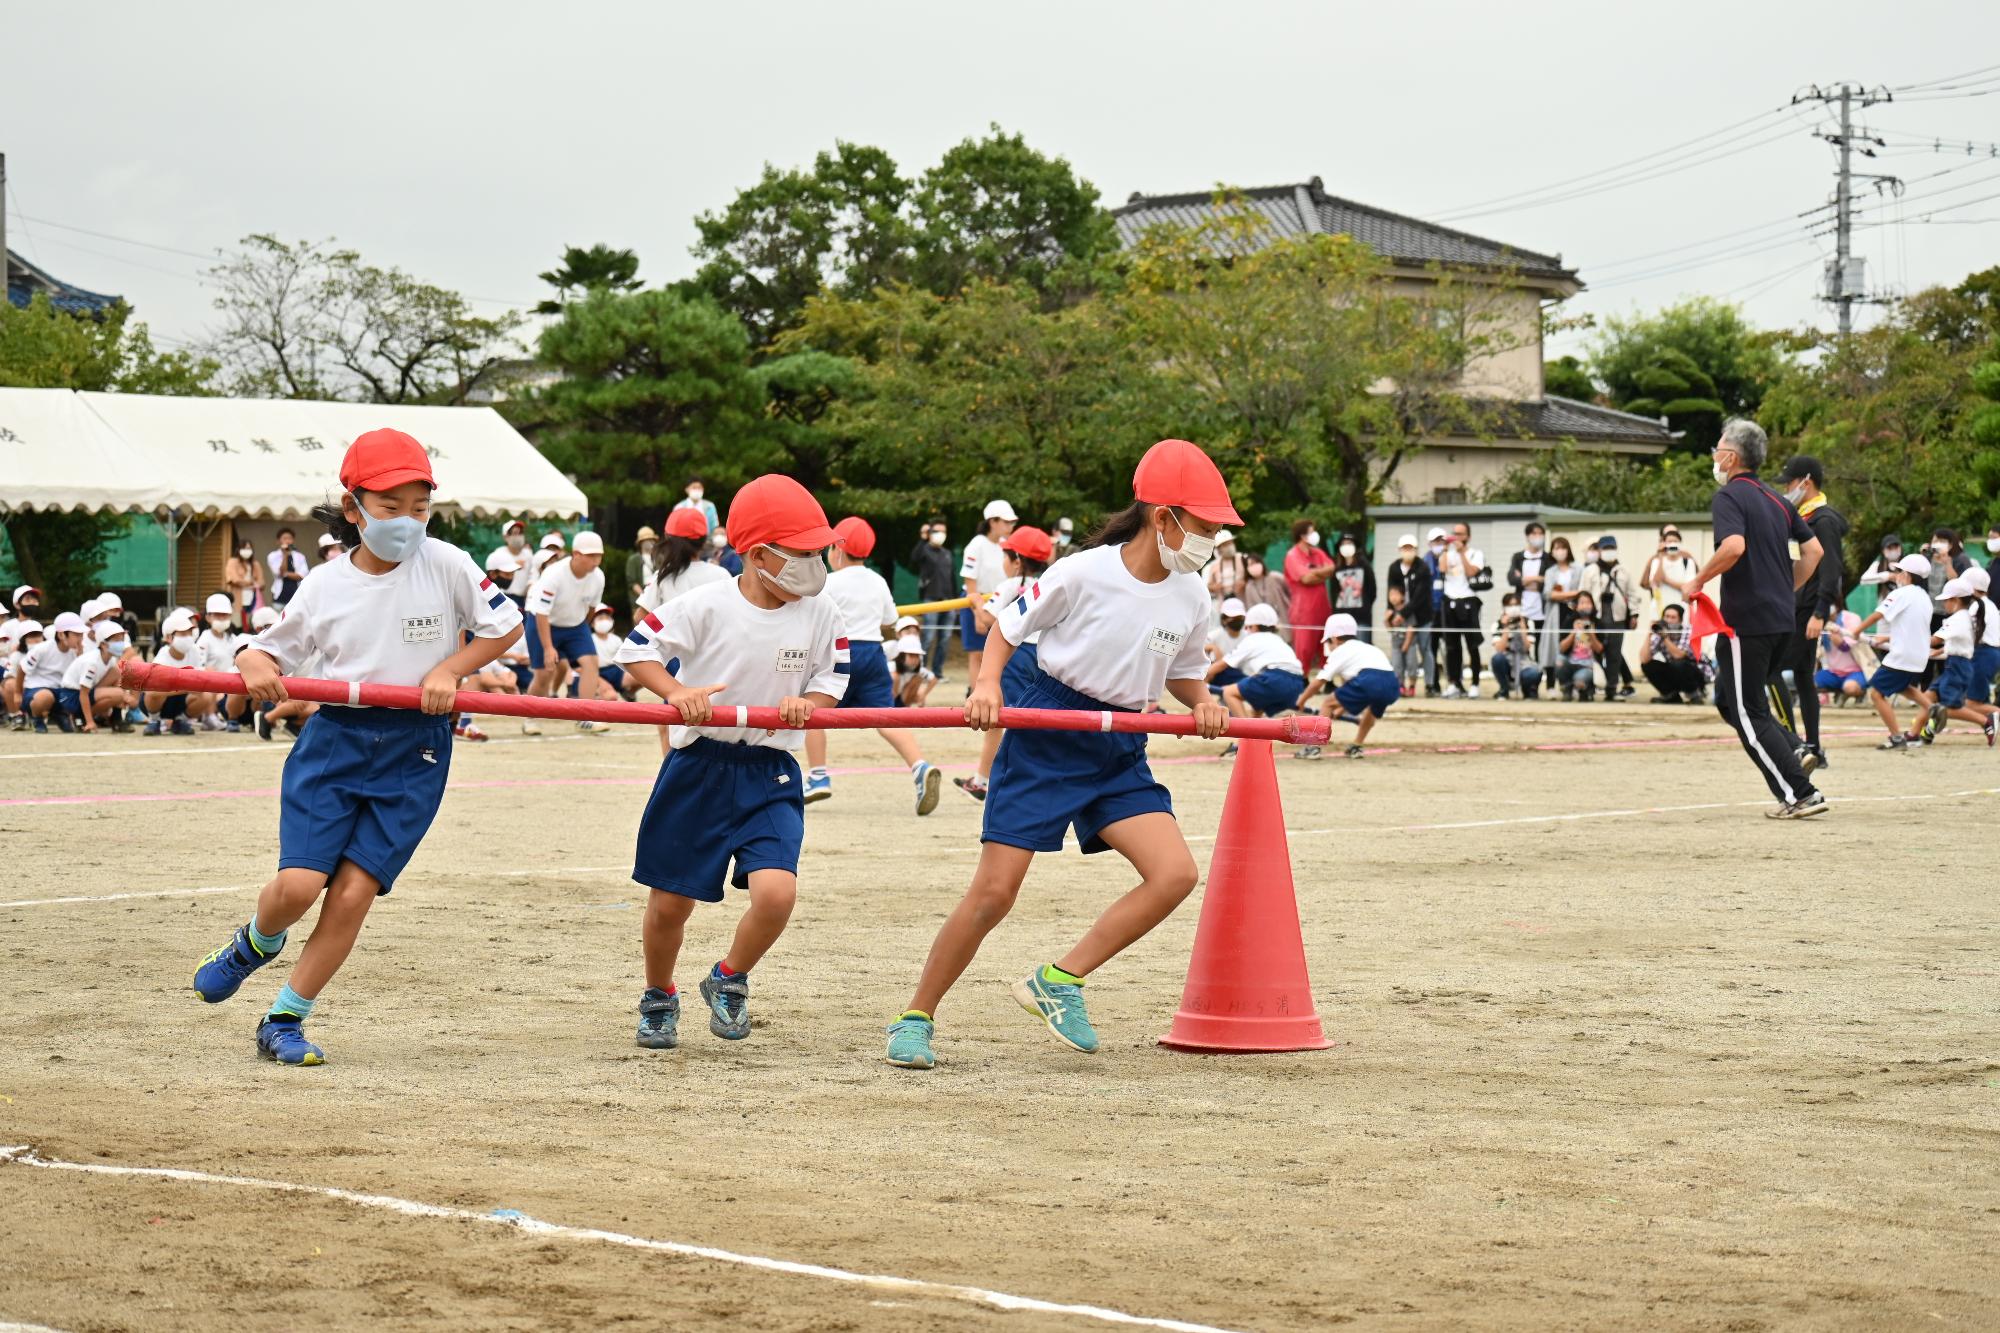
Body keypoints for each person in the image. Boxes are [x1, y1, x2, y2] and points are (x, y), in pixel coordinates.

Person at [883, 439, 1234, 1072]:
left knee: (1175, 874)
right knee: (994, 893)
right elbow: (1006, 631)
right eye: (1206, 528)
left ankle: (1059, 979)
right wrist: (987, 684)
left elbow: (1182, 673)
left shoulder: (1192, 596)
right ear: (1164, 518)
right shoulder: (1083, 571)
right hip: (1049, 730)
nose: (1211, 543)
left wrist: (1203, 702)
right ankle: (916, 1016)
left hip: (1121, 743)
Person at [189, 427, 524, 1065]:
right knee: (299, 885)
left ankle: (285, 1018)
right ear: (354, 509)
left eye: (420, 509)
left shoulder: (448, 564)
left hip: (417, 749)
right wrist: (251, 658)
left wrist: (451, 668)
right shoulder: (324, 585)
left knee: (352, 894)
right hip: (336, 742)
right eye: (391, 508)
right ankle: (255, 943)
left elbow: (503, 626)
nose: (408, 522)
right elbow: (268, 647)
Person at [614, 474, 846, 1051]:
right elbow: (636, 650)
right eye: (803, 553)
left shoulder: (822, 611)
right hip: (700, 768)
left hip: (771, 770)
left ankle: (728, 977)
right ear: (759, 554)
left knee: (776, 893)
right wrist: (674, 692)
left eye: (820, 551)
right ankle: (658, 994)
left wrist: (808, 704)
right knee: (671, 903)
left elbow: (830, 679)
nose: (816, 564)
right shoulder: (704, 605)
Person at [1678, 418, 1827, 818]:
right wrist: (1784, 588)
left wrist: (1697, 580)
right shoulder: (1778, 499)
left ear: (1730, 456)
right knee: (1729, 699)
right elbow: (1814, 554)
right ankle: (1793, 747)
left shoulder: (1730, 496)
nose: (1714, 456)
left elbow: (1734, 546)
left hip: (1747, 621)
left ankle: (1800, 793)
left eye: (1718, 448)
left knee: (1749, 712)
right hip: (1781, 619)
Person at [802, 516, 942, 815]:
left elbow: (814, 618)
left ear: (838, 549)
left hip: (840, 653)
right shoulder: (877, 581)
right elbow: (890, 621)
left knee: (811, 711)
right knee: (886, 717)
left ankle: (817, 776)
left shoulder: (830, 582)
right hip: (874, 653)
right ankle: (920, 766)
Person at [955, 525, 1054, 802]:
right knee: (1037, 716)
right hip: (1045, 659)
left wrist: (975, 602)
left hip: (1016, 657)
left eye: (1006, 556)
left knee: (1000, 719)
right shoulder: (1051, 584)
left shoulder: (1011, 586)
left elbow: (988, 620)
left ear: (1017, 561)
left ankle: (983, 780)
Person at [1772, 455, 1849, 771]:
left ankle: (1793, 744)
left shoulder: (1823, 520)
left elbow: (1832, 570)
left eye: (1789, 482)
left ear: (1806, 482)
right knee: (1803, 675)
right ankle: (1813, 746)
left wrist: (1820, 611)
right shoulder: (1802, 517)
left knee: (1771, 670)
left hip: (1806, 609)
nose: (1787, 489)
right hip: (1798, 606)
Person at [523, 530, 612, 737]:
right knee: (544, 674)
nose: (596, 561)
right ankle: (530, 718)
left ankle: (586, 717)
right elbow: (542, 613)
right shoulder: (554, 574)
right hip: (542, 622)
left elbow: (591, 608)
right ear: (576, 554)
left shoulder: (598, 577)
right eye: (591, 556)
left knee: (591, 663)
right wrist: (548, 647)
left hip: (576, 624)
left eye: (599, 555)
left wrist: (581, 633)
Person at [1853, 553, 1935, 750]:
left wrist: (1856, 631)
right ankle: (1933, 708)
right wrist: (1886, 638)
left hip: (1901, 655)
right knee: (1902, 685)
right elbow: (1912, 629)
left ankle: (1896, 737)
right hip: (1919, 657)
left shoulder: (1901, 594)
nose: (1896, 575)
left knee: (1877, 693)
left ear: (1906, 574)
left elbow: (1877, 615)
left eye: (1898, 571)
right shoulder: (1925, 598)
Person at [1296, 612, 1399, 759]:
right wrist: (1342, 708)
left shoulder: (1340, 651)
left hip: (1369, 679)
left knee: (1327, 703)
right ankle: (1356, 746)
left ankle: (1314, 747)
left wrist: (1302, 700)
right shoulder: (1368, 648)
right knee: (1372, 710)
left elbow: (1319, 681)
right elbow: (1352, 687)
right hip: (1391, 684)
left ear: (1334, 638)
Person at [1919, 577, 1997, 746]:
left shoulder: (1959, 618)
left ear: (1955, 600)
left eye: (1946, 600)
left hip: (1957, 666)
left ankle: (1986, 722)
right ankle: (1920, 732)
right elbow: (1952, 643)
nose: (1944, 605)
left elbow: (1934, 640)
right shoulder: (1964, 617)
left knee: (1950, 708)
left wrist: (1910, 643)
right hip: (1954, 664)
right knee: (1927, 699)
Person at [1213, 603, 1307, 736]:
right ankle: (1256, 738)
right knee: (1257, 707)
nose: (1246, 630)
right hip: (1297, 684)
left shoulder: (1252, 639)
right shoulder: (1279, 640)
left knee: (1229, 693)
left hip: (1276, 678)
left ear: (1254, 626)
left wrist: (1202, 678)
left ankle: (1246, 737)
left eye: (1248, 627)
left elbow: (1222, 664)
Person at [959, 499, 1017, 692]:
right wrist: (978, 613)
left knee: (997, 652)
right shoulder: (976, 545)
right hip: (977, 601)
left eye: (1012, 523)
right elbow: (970, 581)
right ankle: (975, 696)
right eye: (1006, 522)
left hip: (998, 601)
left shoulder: (1005, 545)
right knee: (977, 655)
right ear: (992, 522)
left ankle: (993, 695)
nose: (1011, 526)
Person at [1581, 535, 1640, 701]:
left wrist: (1634, 614)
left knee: (1614, 655)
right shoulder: (1590, 571)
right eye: (1605, 548)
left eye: (1611, 548)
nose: (1608, 552)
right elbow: (1583, 593)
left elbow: (1633, 595)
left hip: (1617, 617)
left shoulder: (1623, 571)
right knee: (1594, 652)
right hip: (1596, 617)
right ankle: (1591, 686)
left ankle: (1612, 689)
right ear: (1599, 550)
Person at [1436, 521, 1487, 697]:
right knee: (1452, 646)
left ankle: (1475, 683)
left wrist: (1462, 553)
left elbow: (1472, 572)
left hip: (1469, 600)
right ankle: (1454, 682)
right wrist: (1445, 548)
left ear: (1468, 536)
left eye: (1460, 534)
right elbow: (1442, 569)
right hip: (1450, 600)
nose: (1456, 537)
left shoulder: (1476, 553)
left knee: (1472, 645)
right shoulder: (1447, 554)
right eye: (1454, 534)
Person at [56, 621, 133, 734]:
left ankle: (116, 719)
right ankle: (81, 717)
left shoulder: (111, 659)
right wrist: (90, 722)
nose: (121, 644)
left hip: (83, 693)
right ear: (103, 644)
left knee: (117, 673)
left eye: (122, 640)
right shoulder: (92, 662)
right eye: (116, 641)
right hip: (70, 696)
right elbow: (83, 693)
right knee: (118, 694)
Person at [1384, 535, 1436, 696]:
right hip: (1400, 619)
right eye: (1405, 548)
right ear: (1400, 550)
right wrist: (1392, 614)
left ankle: (1429, 685)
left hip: (1421, 617)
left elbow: (1420, 596)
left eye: (1411, 548)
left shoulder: (1423, 567)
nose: (1408, 551)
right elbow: (1391, 592)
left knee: (1424, 649)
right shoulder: (1394, 568)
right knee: (1398, 654)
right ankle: (1398, 684)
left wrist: (1403, 613)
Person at [1283, 518, 1334, 675]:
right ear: (1302, 536)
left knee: (1326, 645)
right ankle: (1302, 679)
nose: (1315, 535)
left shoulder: (1318, 553)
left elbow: (1331, 568)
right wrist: (1322, 573)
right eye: (1312, 532)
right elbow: (1305, 579)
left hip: (1322, 608)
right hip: (1303, 612)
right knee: (1304, 649)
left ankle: (1327, 679)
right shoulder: (1292, 556)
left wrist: (1314, 572)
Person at [22, 611, 86, 733]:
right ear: (62, 635)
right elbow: (22, 669)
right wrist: (17, 694)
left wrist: (80, 657)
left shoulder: (78, 651)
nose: (80, 639)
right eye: (76, 635)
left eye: (81, 635)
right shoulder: (42, 649)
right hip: (37, 690)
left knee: (80, 694)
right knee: (45, 696)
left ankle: (59, 714)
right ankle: (37, 718)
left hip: (62, 691)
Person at [910, 517, 958, 677]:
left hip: (949, 601)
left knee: (944, 640)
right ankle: (920, 672)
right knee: (928, 638)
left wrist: (956, 602)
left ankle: (938, 673)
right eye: (936, 531)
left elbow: (952, 578)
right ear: (929, 532)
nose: (940, 534)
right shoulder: (924, 550)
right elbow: (914, 558)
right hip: (930, 599)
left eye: (943, 531)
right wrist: (922, 539)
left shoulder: (947, 554)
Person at [198, 593, 250, 732]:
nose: (221, 618)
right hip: (212, 688)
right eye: (217, 615)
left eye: (225, 615)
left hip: (231, 687)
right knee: (209, 671)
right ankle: (210, 716)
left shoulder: (233, 638)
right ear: (208, 617)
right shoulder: (204, 639)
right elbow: (200, 667)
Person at [1642, 603, 1706, 704]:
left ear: (1680, 620)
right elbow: (1644, 659)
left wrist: (1665, 638)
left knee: (1678, 663)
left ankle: (1695, 695)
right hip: (1675, 670)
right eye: (1666, 617)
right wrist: (1649, 635)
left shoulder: (1687, 630)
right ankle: (1670, 695)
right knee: (1648, 665)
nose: (1669, 620)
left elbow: (1679, 655)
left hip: (1695, 672)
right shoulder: (1661, 631)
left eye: (1673, 617)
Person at [1540, 535, 1584, 675]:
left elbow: (1582, 592)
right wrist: (1572, 593)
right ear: (1552, 552)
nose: (1560, 551)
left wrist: (1564, 595)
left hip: (1574, 611)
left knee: (1576, 643)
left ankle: (1575, 678)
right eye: (1556, 548)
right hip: (1555, 612)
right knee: (1552, 646)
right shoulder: (1550, 571)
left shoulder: (1578, 569)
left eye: (1563, 548)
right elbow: (1548, 594)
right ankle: (1551, 684)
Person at [1640, 523, 1700, 620]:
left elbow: (1691, 586)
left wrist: (1667, 580)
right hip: (1660, 609)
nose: (1672, 543)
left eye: (1675, 540)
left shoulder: (1687, 559)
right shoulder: (1656, 560)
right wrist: (1660, 555)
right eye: (1669, 541)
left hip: (1682, 609)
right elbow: (1653, 583)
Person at [1489, 594, 1541, 700]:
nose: (1513, 608)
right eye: (1510, 605)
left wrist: (1523, 629)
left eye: (1516, 605)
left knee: (1534, 672)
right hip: (1507, 659)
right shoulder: (1497, 624)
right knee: (1497, 659)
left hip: (1523, 659)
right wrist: (1505, 628)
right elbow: (1499, 649)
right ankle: (1504, 690)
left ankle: (1528, 691)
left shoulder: (1528, 622)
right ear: (1504, 607)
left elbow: (1527, 647)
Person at [1965, 566, 2000, 710]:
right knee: (1981, 702)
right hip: (1991, 654)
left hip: (1983, 655)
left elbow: (1968, 634)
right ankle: (1990, 729)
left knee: (1971, 704)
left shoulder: (1977, 607)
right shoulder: (1990, 605)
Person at [1328, 534, 1375, 641]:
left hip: (1361, 618)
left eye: (1349, 543)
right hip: (1342, 618)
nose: (1346, 546)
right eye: (1343, 544)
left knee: (1362, 649)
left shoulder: (1364, 565)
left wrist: (1365, 606)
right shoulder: (1337, 568)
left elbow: (1372, 590)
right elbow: (1334, 593)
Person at [1507, 521, 1551, 635]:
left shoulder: (1547, 558)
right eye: (1534, 533)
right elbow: (1512, 579)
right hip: (1523, 601)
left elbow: (1549, 580)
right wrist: (1536, 578)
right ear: (1527, 536)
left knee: (1540, 638)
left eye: (1541, 534)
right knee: (1522, 637)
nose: (1538, 537)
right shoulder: (1518, 557)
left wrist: (1526, 579)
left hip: (1541, 603)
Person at [1557, 600, 1602, 702]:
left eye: (1587, 603)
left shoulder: (1598, 623)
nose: (1585, 606)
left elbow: (1599, 649)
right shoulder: (1569, 621)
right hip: (1572, 661)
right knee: (1559, 660)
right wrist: (1574, 632)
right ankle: (1567, 689)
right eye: (1582, 603)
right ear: (1576, 607)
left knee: (1579, 681)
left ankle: (1586, 689)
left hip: (1588, 665)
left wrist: (1591, 634)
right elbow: (1562, 648)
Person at [1853, 532, 1904, 620]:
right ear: (1883, 550)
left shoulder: (1906, 565)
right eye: (1889, 548)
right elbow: (1864, 580)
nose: (1893, 550)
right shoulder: (1878, 565)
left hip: (1902, 611)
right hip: (1884, 611)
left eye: (1895, 547)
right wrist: (1887, 576)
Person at [1204, 596, 1248, 696]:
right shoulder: (1215, 635)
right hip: (1218, 674)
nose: (1237, 620)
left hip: (1240, 674)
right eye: (1233, 618)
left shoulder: (1248, 636)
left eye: (1240, 618)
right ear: (1224, 619)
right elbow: (1196, 648)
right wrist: (1212, 647)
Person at [1382, 581, 1420, 696]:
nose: (1392, 597)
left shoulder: (1407, 611)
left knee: (1411, 664)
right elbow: (1390, 630)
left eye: (1395, 594)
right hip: (1395, 644)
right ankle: (1400, 686)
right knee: (1397, 666)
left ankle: (1412, 686)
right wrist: (1386, 620)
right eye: (1390, 595)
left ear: (1403, 595)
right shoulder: (1390, 612)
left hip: (1410, 644)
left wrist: (1406, 644)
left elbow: (1411, 629)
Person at [1240, 549, 1290, 632]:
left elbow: (1290, 591)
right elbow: (1251, 608)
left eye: (1256, 563)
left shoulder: (1275, 577)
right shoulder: (1249, 587)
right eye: (1250, 565)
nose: (1254, 566)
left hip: (1284, 621)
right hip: (1264, 626)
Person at [224, 538, 264, 632]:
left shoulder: (255, 564)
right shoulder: (232, 562)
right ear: (238, 549)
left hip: (253, 600)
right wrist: (252, 583)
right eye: (244, 548)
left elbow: (262, 582)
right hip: (238, 600)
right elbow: (234, 579)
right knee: (237, 626)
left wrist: (251, 584)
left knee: (253, 627)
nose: (247, 551)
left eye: (249, 548)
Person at [487, 520, 533, 603]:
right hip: (504, 596)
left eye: (520, 533)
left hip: (524, 599)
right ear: (506, 536)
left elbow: (532, 575)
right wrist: (513, 565)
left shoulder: (528, 554)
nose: (519, 536)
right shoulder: (499, 554)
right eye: (515, 533)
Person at [266, 528, 309, 609]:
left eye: (290, 538)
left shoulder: (300, 556)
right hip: (279, 596)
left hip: (296, 596)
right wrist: (285, 555)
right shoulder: (273, 556)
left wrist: (285, 574)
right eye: (284, 538)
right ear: (278, 541)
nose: (287, 541)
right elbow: (278, 572)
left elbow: (302, 575)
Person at [1205, 529, 1248, 608]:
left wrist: (1244, 582)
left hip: (1245, 604)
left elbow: (1254, 578)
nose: (1229, 546)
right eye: (1225, 545)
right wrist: (1215, 587)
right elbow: (1209, 586)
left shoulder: (1243, 559)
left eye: (1230, 543)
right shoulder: (1214, 565)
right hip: (1224, 606)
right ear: (1219, 549)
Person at [626, 525, 661, 605]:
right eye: (647, 540)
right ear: (641, 543)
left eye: (652, 539)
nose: (650, 542)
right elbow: (632, 582)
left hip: (657, 597)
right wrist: (644, 596)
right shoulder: (633, 560)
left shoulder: (659, 558)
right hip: (640, 599)